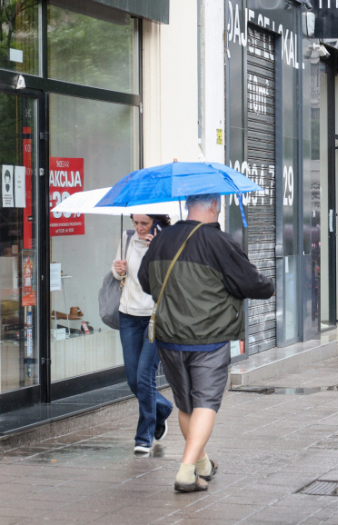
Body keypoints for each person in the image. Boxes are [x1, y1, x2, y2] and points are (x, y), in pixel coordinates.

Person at [139, 194, 274, 493]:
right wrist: (268, 284)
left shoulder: (161, 239)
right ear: (214, 206)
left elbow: (145, 281)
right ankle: (186, 471)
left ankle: (201, 463)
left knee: (185, 402)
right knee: (206, 402)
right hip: (208, 338)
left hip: (168, 336)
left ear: (189, 205)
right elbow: (250, 284)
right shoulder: (219, 241)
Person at [112, 214, 174, 455]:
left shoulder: (166, 242)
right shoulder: (127, 238)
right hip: (128, 316)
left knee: (145, 376)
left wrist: (156, 251)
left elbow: (170, 280)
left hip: (154, 316)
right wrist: (118, 270)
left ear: (156, 223)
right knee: (132, 379)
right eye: (135, 222)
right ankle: (163, 407)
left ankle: (144, 437)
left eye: (144, 224)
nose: (138, 228)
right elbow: (118, 275)